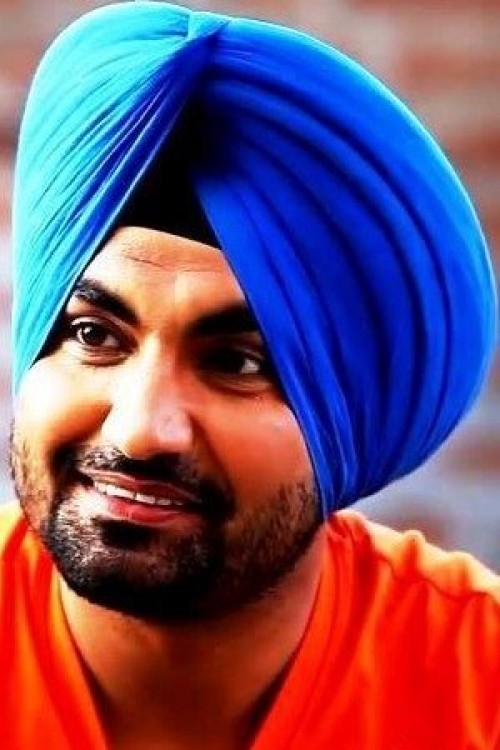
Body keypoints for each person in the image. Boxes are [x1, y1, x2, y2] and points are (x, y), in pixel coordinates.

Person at [3, 2, 499, 748]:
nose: (140, 429)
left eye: (236, 362)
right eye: (93, 335)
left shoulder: (478, 685)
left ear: (350, 421)